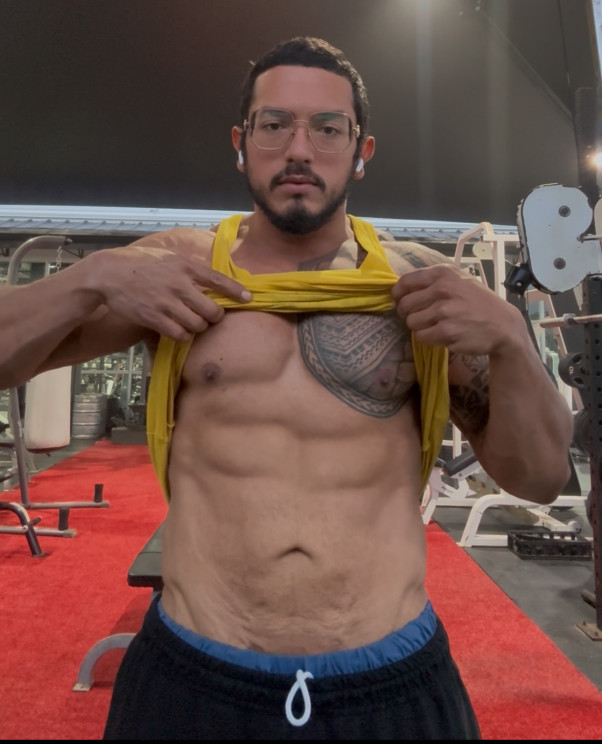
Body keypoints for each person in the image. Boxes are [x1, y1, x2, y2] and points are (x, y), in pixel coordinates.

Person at [0, 37, 573, 740]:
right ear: (241, 144)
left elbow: (540, 477)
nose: (299, 149)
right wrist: (90, 278)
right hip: (196, 676)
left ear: (360, 150)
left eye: (328, 128)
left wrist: (511, 337)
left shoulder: (419, 288)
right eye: (274, 125)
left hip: (387, 683)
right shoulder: (175, 276)